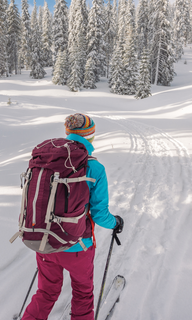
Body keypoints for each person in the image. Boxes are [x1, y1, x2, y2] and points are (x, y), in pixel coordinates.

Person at [22, 113, 124, 320]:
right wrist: (116, 223)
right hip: (78, 246)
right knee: (83, 293)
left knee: (46, 292)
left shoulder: (45, 161)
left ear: (68, 133)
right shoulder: (94, 167)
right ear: (91, 136)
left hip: (44, 240)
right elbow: (99, 214)